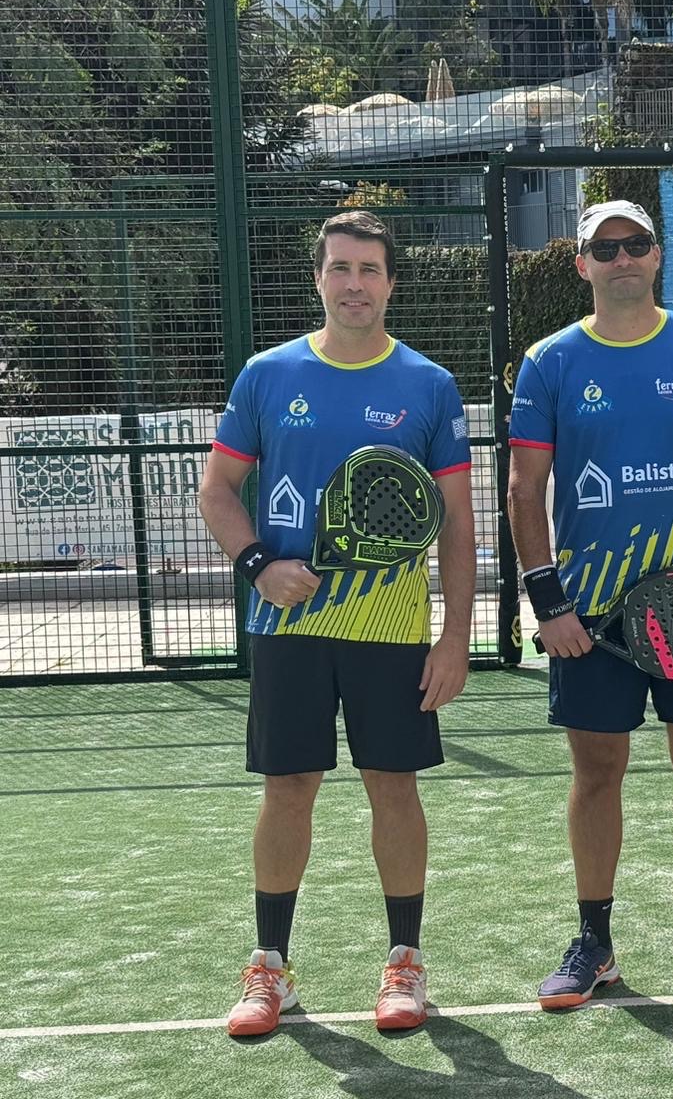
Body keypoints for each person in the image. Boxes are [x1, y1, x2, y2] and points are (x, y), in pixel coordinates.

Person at [198, 210, 476, 1034]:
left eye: (369, 270)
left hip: (392, 630)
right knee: (288, 789)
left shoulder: (428, 385)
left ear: (391, 282)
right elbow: (217, 490)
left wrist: (455, 636)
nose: (355, 284)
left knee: (394, 785)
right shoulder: (267, 375)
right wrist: (260, 564)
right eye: (340, 268)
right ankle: (270, 969)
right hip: (287, 629)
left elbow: (457, 522)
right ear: (319, 278)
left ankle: (405, 964)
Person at [507, 199, 673, 1011]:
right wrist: (547, 601)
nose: (622, 258)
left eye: (636, 244)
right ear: (582, 264)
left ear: (657, 256)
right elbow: (525, 488)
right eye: (606, 248)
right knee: (596, 773)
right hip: (588, 616)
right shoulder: (549, 361)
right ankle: (594, 942)